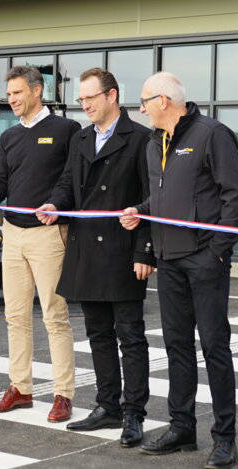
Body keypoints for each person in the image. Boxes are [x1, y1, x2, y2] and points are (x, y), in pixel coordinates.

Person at [121, 72, 238, 469]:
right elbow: (162, 197)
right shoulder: (153, 143)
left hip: (204, 261)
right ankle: (182, 429)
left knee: (215, 347)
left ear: (163, 100)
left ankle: (224, 438)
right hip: (169, 260)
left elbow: (237, 195)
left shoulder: (212, 134)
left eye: (144, 101)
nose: (140, 109)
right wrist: (140, 212)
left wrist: (217, 251)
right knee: (177, 348)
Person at [36, 67, 155, 447]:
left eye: (90, 97)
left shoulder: (141, 139)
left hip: (123, 252)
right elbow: (69, 183)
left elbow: (152, 202)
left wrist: (145, 252)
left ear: (112, 96)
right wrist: (55, 203)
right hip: (86, 249)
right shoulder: (82, 137)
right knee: (98, 335)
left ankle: (134, 413)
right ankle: (108, 406)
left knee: (130, 337)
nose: (83, 104)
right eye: (81, 98)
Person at [0, 66, 80, 422]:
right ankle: (20, 388)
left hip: (49, 234)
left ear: (36, 91)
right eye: (9, 93)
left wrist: (56, 204)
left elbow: (70, 179)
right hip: (12, 233)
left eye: (16, 93)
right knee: (15, 316)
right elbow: (0, 181)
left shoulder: (66, 130)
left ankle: (63, 394)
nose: (11, 99)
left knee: (54, 317)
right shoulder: (11, 136)